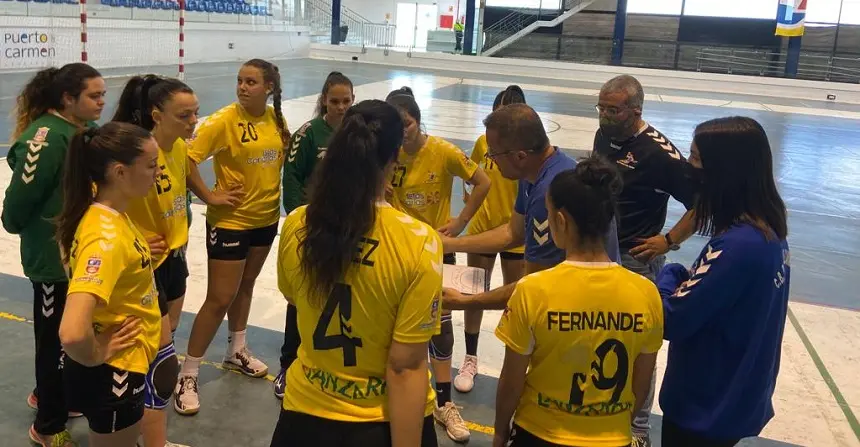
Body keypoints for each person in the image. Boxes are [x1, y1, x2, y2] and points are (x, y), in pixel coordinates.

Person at [271, 99, 439, 447]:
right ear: (394, 158)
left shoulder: (298, 224)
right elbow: (404, 368)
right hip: (377, 420)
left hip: (303, 416)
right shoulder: (419, 242)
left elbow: (293, 297)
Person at [493, 156, 662, 447]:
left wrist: (498, 432)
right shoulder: (646, 293)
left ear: (560, 220)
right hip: (612, 437)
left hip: (540, 433)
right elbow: (641, 381)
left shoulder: (533, 289)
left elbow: (512, 380)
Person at [656, 117, 790, 447]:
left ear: (725, 171)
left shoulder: (736, 247)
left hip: (705, 408)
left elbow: (671, 318)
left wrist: (668, 273)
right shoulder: (769, 232)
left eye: (697, 159)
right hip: (735, 397)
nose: (689, 166)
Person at [175, 58, 290, 415]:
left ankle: (235, 348)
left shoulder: (277, 120)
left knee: (247, 285)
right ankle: (188, 373)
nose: (242, 87)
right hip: (231, 222)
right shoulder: (224, 120)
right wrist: (209, 196)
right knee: (219, 297)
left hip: (266, 219)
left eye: (251, 82)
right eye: (240, 81)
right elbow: (185, 157)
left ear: (269, 86)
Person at [1, 62, 105, 447]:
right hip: (53, 262)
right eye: (94, 96)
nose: (100, 103)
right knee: (54, 342)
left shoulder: (86, 131)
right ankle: (46, 424)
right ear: (67, 99)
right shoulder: (45, 139)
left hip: (82, 256)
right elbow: (15, 210)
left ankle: (53, 394)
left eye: (102, 95)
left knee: (75, 336)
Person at [592, 74, 698, 447]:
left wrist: (668, 240)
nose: (604, 115)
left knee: (638, 344)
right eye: (601, 107)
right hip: (598, 253)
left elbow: (701, 204)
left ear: (635, 111)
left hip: (637, 259)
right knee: (597, 333)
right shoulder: (605, 134)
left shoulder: (658, 153)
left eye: (613, 109)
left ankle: (637, 426)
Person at [385, 86, 491, 443]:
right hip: (398, 250)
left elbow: (483, 181)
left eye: (409, 124)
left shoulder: (443, 151)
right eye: (397, 126)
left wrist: (460, 221)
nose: (403, 133)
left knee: (440, 326)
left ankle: (444, 404)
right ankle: (392, 394)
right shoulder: (387, 154)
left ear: (418, 120)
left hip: (435, 251)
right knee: (393, 326)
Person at [441, 104, 620, 309]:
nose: (490, 159)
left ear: (520, 156)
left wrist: (464, 302)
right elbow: (512, 232)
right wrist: (449, 244)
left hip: (586, 306)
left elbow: (533, 287)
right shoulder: (534, 173)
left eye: (493, 153)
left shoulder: (548, 194)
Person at [55, 122, 163, 447]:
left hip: (119, 366)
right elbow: (72, 332)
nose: (158, 173)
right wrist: (94, 354)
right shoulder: (106, 238)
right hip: (113, 371)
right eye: (151, 165)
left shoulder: (104, 211)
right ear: (119, 172)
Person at [112, 74, 199, 447]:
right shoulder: (135, 153)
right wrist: (133, 239)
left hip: (173, 260)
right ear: (156, 114)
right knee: (160, 367)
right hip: (143, 268)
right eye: (184, 115)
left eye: (195, 113)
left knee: (159, 356)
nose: (193, 121)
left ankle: (146, 436)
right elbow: (98, 206)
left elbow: (180, 191)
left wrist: (209, 198)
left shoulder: (177, 148)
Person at [276, 70, 355, 399]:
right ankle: (287, 363)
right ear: (324, 100)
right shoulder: (308, 134)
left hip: (347, 227)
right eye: (334, 101)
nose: (340, 107)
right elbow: (291, 177)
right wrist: (298, 218)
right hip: (312, 226)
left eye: (346, 101)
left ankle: (327, 359)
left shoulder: (356, 133)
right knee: (301, 296)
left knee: (338, 294)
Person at [454, 85, 527, 394]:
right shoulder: (483, 143)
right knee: (474, 293)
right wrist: (468, 214)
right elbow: (472, 180)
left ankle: (517, 360)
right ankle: (470, 357)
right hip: (483, 231)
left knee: (517, 300)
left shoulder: (528, 152)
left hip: (516, 235)